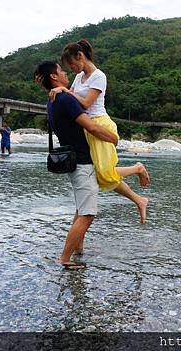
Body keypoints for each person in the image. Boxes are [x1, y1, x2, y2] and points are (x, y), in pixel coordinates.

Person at [50, 39, 150, 224]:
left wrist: (65, 90)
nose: (71, 68)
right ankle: (139, 200)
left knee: (103, 173)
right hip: (86, 126)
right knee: (95, 175)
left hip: (100, 124)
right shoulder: (79, 77)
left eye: (72, 64)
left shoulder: (99, 76)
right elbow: (70, 100)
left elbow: (86, 102)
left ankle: (138, 168)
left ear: (80, 56)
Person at [34, 61, 119, 269]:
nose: (64, 73)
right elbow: (91, 127)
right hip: (81, 161)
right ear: (54, 76)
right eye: (61, 70)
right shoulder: (64, 99)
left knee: (81, 209)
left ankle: (78, 249)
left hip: (73, 160)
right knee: (87, 215)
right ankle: (64, 258)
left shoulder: (53, 99)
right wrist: (113, 138)